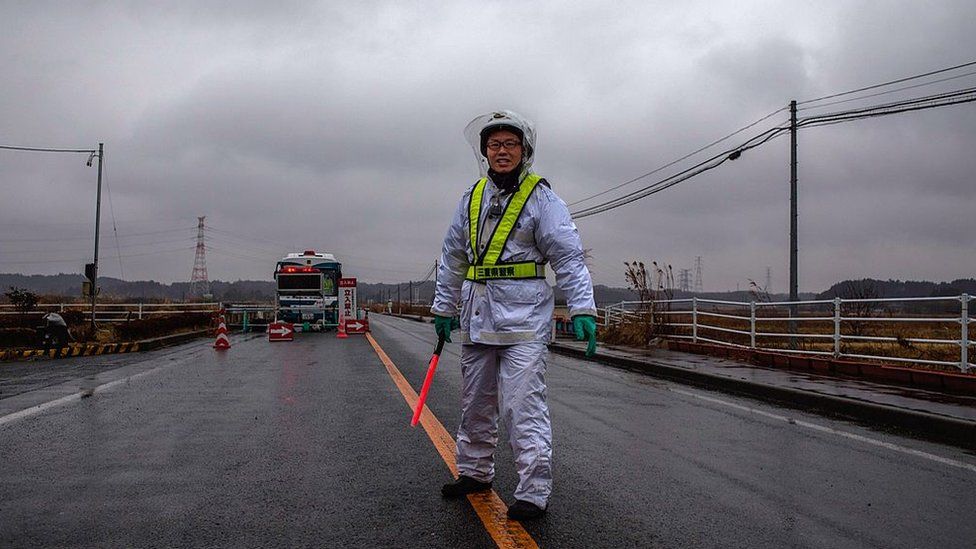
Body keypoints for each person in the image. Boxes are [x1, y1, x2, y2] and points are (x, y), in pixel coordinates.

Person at [430, 110, 598, 520]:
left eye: (510, 144)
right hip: (478, 319)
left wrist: (582, 308)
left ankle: (533, 492)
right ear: (484, 152)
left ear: (524, 151)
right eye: (494, 145)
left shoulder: (542, 198)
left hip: (523, 324)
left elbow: (569, 258)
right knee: (474, 404)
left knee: (523, 408)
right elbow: (452, 257)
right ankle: (474, 472)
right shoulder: (471, 199)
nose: (501, 152)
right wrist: (443, 308)